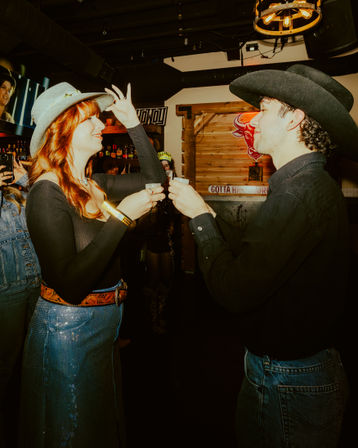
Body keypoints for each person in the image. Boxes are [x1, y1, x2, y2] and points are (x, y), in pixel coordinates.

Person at [168, 64, 357, 447]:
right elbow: (263, 256)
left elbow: (234, 289)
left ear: (295, 119)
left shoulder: (298, 193)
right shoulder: (308, 183)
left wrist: (200, 219)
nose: (253, 119)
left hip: (290, 379)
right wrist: (208, 211)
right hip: (291, 372)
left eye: (266, 108)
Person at [18, 81, 166, 447]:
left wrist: (133, 125)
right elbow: (69, 283)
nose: (102, 126)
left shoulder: (94, 183)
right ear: (64, 130)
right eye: (91, 121)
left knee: (98, 422)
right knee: (73, 428)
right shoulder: (45, 192)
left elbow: (156, 182)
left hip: (105, 324)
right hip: (68, 327)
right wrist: (121, 220)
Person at [0, 158, 41, 448]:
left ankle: (32, 413)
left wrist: (26, 178)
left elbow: (46, 205)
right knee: (7, 359)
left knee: (35, 353)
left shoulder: (21, 195)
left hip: (38, 282)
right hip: (7, 289)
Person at [142, 151, 180, 333]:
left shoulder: (174, 188)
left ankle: (162, 316)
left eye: (167, 165)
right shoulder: (148, 187)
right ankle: (152, 319)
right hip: (151, 240)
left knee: (166, 281)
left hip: (167, 240)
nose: (164, 168)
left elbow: (177, 216)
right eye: (161, 165)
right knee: (153, 281)